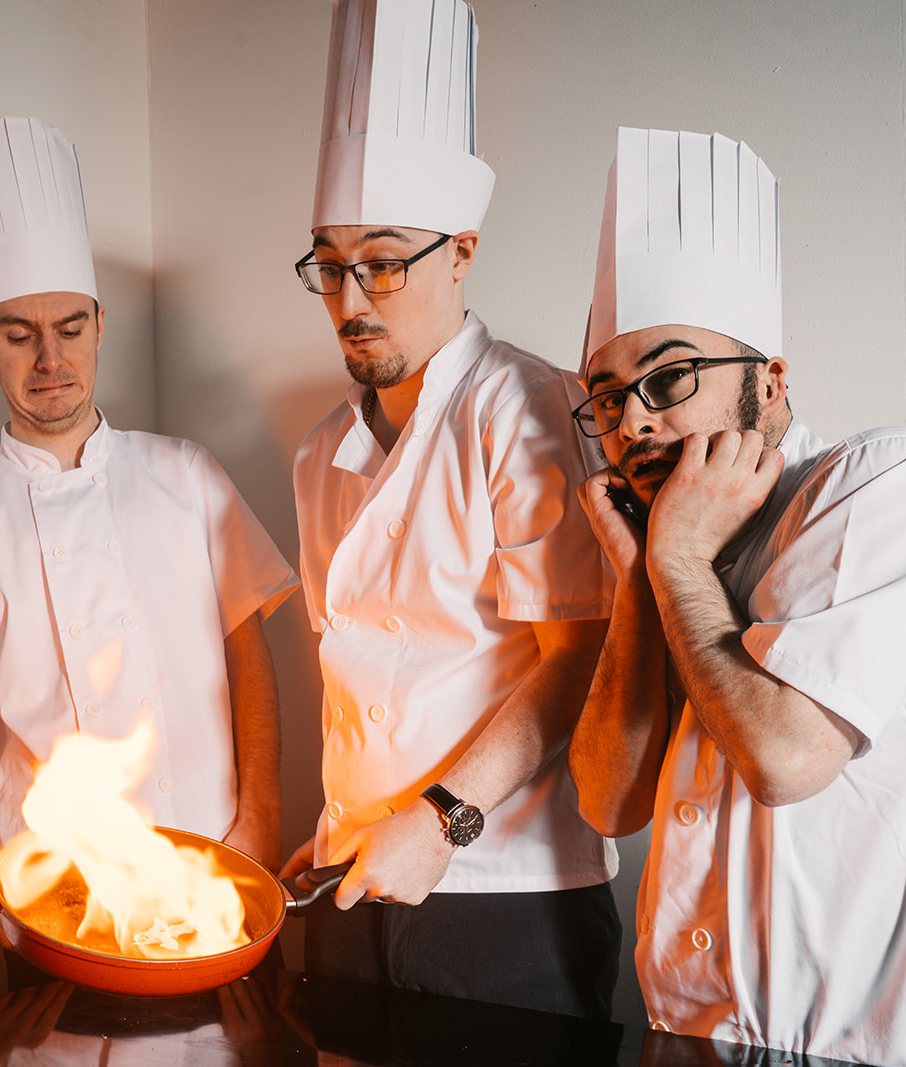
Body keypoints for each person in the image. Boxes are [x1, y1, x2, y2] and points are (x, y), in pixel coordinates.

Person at [569, 127, 906, 1065]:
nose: (633, 421)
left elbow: (782, 757)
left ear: (770, 383)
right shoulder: (676, 547)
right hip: (691, 1036)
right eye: (607, 397)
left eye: (670, 376)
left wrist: (677, 562)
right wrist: (641, 576)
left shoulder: (890, 483)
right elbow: (609, 800)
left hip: (885, 1046)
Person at [282, 0, 621, 1019]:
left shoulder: (527, 405)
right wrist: (340, 822)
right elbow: (363, 677)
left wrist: (438, 820)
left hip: (505, 898)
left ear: (462, 250)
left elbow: (576, 653)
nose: (351, 300)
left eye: (384, 261)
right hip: (353, 874)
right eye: (329, 265)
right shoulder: (318, 455)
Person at [0, 118, 299, 942]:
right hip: (48, 887)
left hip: (210, 863)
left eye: (69, 328)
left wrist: (263, 814)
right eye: (19, 334)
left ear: (100, 323)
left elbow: (248, 650)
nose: (50, 359)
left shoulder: (187, 473)